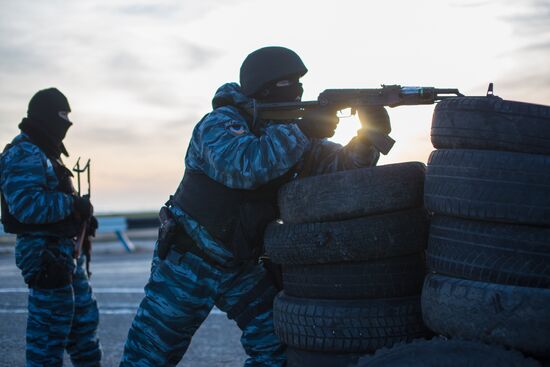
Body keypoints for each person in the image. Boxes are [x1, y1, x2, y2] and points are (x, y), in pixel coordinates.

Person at [120, 46, 391, 367]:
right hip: (189, 261)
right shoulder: (219, 124)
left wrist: (370, 136)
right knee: (148, 358)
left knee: (277, 350)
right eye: (288, 83)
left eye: (300, 82)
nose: (299, 90)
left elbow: (340, 172)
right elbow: (245, 166)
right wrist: (303, 131)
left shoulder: (292, 134)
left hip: (239, 266)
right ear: (264, 87)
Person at [0, 88, 102, 366]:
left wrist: (80, 219)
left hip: (65, 254)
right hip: (45, 257)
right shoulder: (24, 153)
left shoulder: (46, 152)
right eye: (62, 115)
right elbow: (26, 207)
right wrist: (72, 206)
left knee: (84, 330)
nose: (67, 122)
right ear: (45, 116)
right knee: (46, 341)